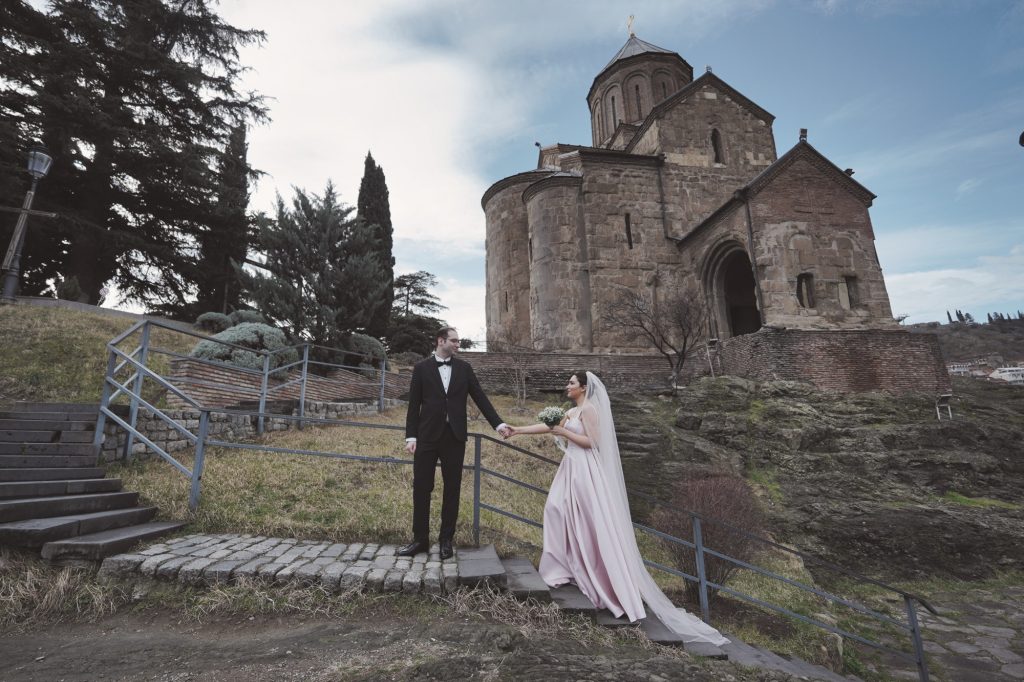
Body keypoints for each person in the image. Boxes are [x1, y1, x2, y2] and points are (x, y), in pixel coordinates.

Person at [506, 371, 728, 646]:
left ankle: (595, 574)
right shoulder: (572, 412)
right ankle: (564, 567)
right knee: (555, 509)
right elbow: (548, 427)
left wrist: (564, 432)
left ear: (583, 387)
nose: (567, 386)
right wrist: (517, 430)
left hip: (585, 470)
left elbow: (593, 442)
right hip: (570, 468)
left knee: (586, 520)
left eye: (571, 383)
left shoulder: (589, 410)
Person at [400, 327, 510, 560]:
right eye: (454, 341)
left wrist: (498, 424)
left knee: (452, 489)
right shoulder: (421, 368)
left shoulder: (464, 368)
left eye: (458, 341)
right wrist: (411, 437)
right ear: (441, 341)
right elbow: (414, 404)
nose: (458, 344)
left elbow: (480, 397)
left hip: (454, 437)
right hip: (426, 437)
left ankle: (446, 541)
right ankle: (420, 540)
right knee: (421, 488)